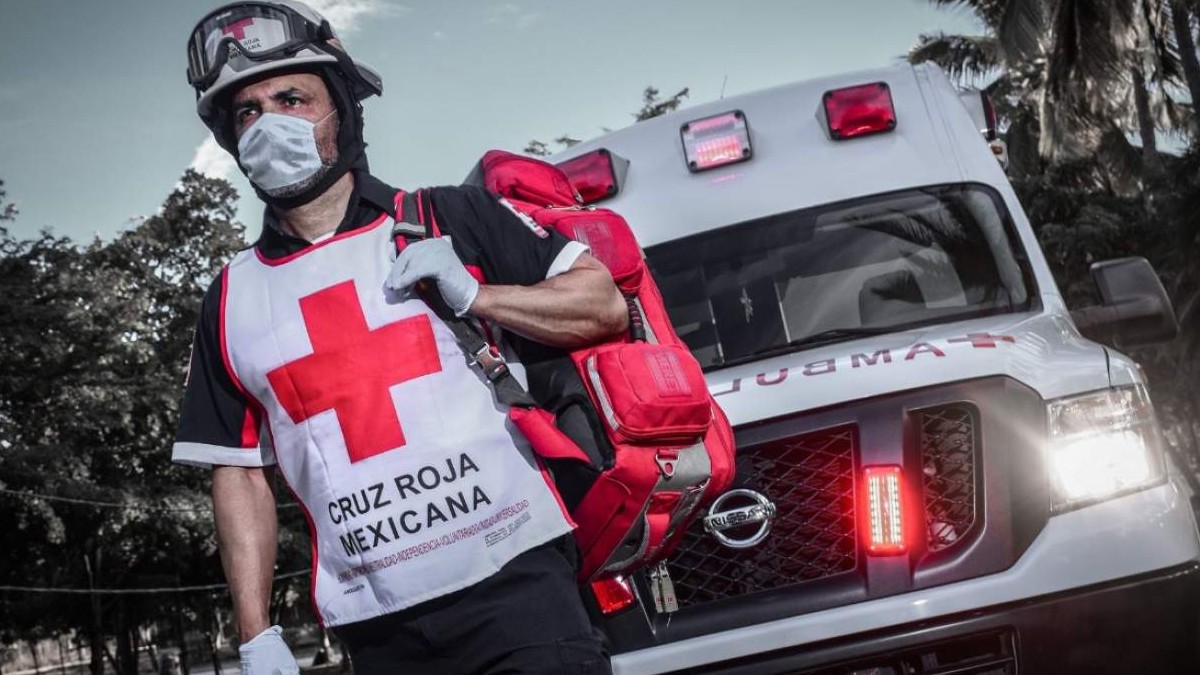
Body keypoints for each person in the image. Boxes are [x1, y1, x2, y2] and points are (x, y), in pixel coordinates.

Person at [172, 2, 626, 673]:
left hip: (517, 583)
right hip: (375, 624)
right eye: (246, 111)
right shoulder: (232, 296)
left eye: (291, 97)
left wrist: (477, 294)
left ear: (343, 110)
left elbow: (604, 304)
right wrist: (254, 630)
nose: (267, 122)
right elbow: (238, 473)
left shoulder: (450, 215)